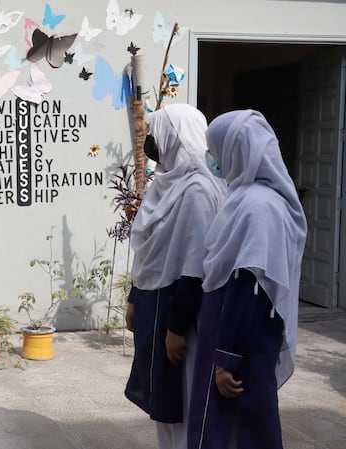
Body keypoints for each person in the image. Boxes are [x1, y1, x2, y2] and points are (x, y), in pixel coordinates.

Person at [187, 110, 307, 449]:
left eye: (215, 149)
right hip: (240, 335)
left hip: (243, 339)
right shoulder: (245, 199)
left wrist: (227, 359)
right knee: (243, 426)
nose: (211, 157)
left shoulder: (258, 208)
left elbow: (250, 290)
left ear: (236, 149)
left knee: (242, 429)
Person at [124, 104, 226, 449]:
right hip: (154, 305)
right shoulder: (163, 185)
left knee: (180, 402)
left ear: (174, 137)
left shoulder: (197, 191)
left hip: (180, 314)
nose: (150, 140)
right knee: (162, 403)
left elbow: (194, 268)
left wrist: (176, 329)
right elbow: (148, 255)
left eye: (155, 133)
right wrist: (132, 298)